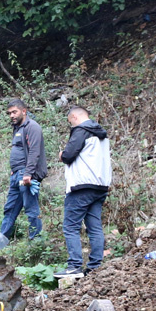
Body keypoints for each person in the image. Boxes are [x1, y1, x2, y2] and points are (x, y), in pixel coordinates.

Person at [57, 106, 113, 278]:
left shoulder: (81, 131)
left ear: (74, 116)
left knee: (70, 227)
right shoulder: (102, 134)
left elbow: (68, 155)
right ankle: (95, 267)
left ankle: (74, 266)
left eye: (70, 122)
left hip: (82, 186)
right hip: (101, 185)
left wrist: (61, 155)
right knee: (94, 227)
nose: (71, 125)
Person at [0, 99, 46, 240]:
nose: (11, 115)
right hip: (16, 175)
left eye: (14, 112)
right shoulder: (18, 128)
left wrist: (28, 174)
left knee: (31, 208)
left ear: (24, 111)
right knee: (10, 208)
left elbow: (34, 152)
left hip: (25, 175)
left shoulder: (32, 127)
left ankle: (35, 241)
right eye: (9, 113)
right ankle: (1, 240)